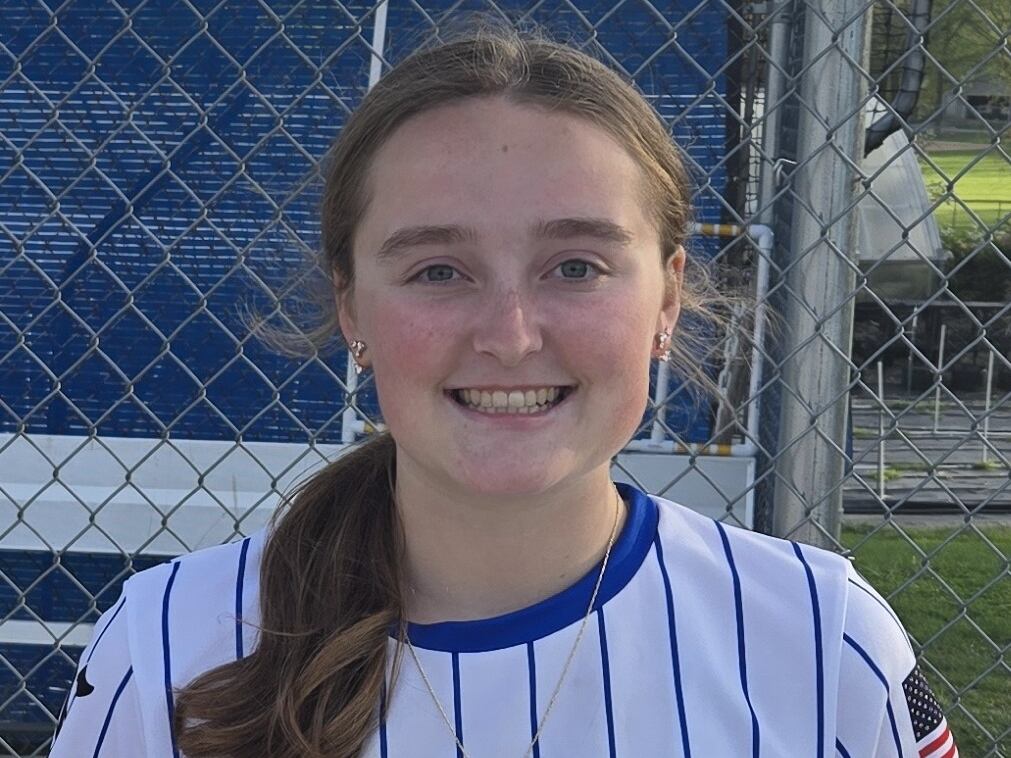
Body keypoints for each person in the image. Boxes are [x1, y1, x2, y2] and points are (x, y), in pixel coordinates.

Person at [49, 25, 958, 758]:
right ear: (351, 305)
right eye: (438, 271)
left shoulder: (822, 639)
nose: (510, 335)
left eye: (576, 266)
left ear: (667, 299)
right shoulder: (168, 642)